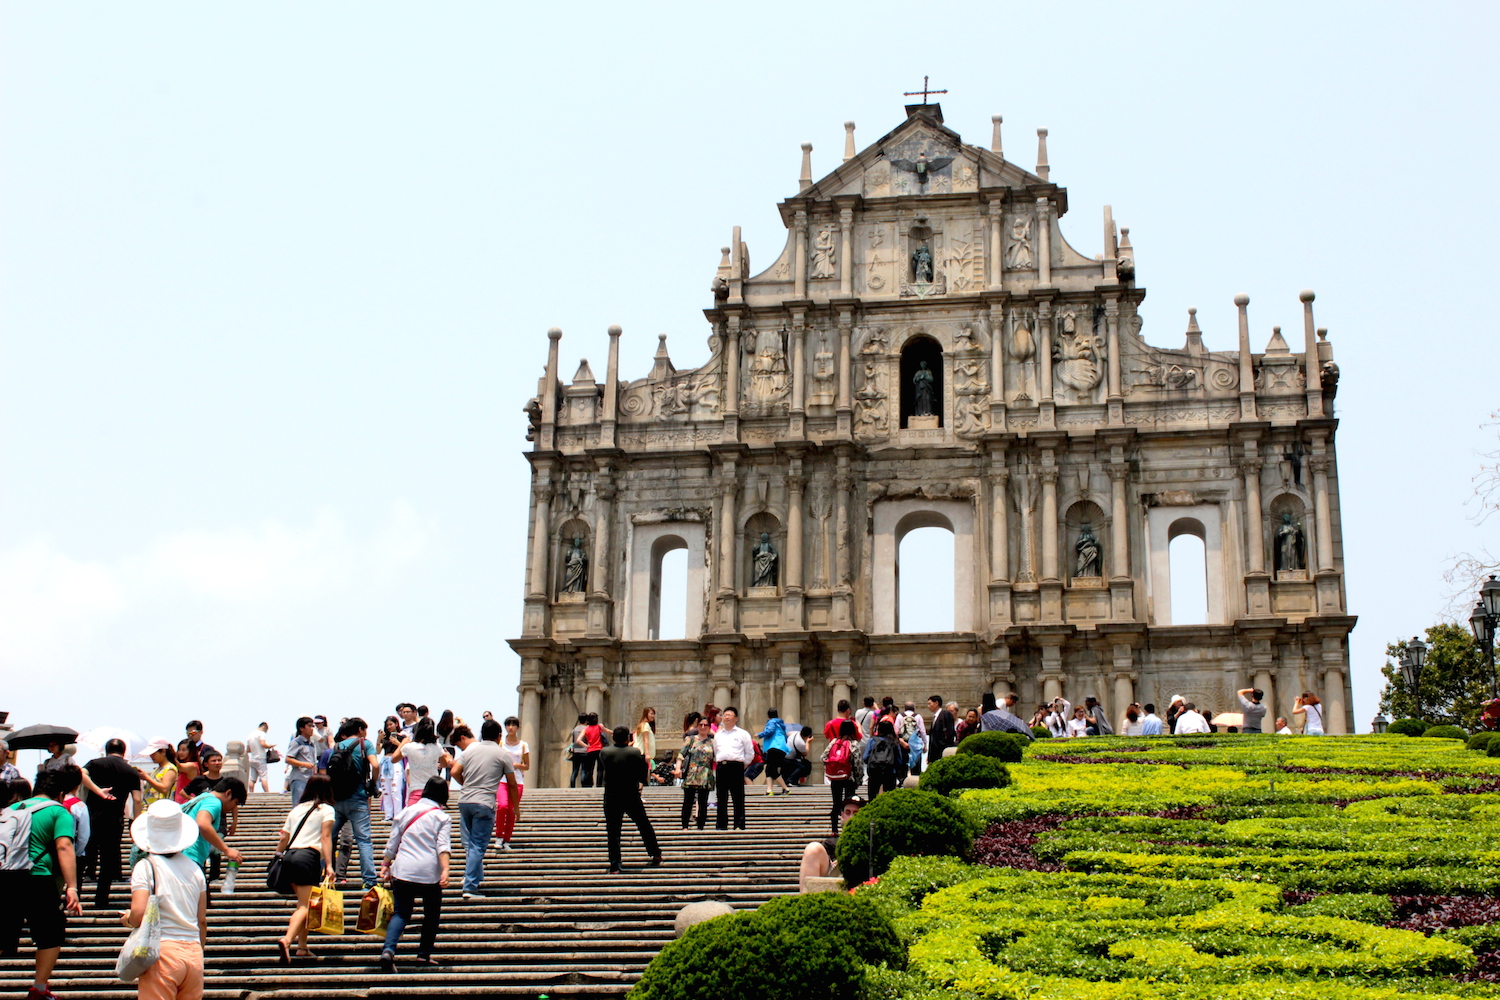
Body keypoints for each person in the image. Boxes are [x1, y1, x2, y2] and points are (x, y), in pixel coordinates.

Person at [3, 767, 83, 1000]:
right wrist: (72, 887)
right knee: (51, 934)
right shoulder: (57, 811)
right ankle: (39, 989)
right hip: (37, 879)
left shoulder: (11, 809)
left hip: (5, 877)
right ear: (60, 793)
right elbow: (64, 846)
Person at [124, 799, 208, 1000]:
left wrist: (127, 919)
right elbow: (201, 920)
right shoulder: (196, 870)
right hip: (193, 952)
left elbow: (138, 913)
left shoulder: (146, 867)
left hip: (161, 951)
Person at [379, 776, 452, 972]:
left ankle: (388, 950)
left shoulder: (406, 812)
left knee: (401, 913)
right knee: (431, 915)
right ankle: (423, 955)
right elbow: (443, 846)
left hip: (403, 870)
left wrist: (385, 864)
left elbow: (393, 842)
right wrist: (445, 869)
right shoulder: (442, 817)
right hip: (429, 873)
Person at [449, 720, 518, 898]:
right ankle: (470, 887)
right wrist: (516, 808)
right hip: (484, 802)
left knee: (469, 844)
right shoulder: (502, 754)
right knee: (478, 845)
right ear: (499, 736)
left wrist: (466, 785)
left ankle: (474, 876)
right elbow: (512, 783)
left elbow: (454, 771)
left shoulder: (470, 750)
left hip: (465, 801)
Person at [274, 775, 335, 965]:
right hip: (308, 857)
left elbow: (284, 837)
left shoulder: (297, 809)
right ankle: (287, 940)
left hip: (290, 856)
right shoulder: (326, 809)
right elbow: (326, 837)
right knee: (305, 906)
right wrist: (329, 865)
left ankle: (302, 947)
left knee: (303, 903)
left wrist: (277, 855)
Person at [82, 739, 142, 909]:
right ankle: (101, 899)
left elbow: (81, 773)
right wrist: (136, 823)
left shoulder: (95, 763)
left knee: (86, 854)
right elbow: (137, 799)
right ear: (124, 752)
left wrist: (98, 791)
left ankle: (76, 894)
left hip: (91, 817)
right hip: (114, 819)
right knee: (108, 860)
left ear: (106, 749)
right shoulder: (131, 771)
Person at [599, 726, 662, 875]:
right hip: (630, 793)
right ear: (628, 738)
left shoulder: (605, 752)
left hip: (612, 794)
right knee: (643, 824)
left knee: (613, 830)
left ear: (614, 737)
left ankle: (615, 864)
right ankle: (655, 853)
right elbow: (641, 771)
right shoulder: (634, 752)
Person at [326, 719, 379, 890]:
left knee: (328, 837)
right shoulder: (365, 744)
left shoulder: (337, 746)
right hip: (358, 799)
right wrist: (373, 782)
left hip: (337, 799)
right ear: (360, 729)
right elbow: (375, 764)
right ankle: (369, 880)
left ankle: (325, 874)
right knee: (363, 840)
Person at [181, 778, 246, 893]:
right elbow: (203, 824)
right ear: (228, 793)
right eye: (235, 803)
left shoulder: (201, 798)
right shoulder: (214, 802)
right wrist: (226, 850)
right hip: (190, 859)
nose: (232, 808)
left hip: (181, 856)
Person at [798, 795, 864, 892]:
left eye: (856, 813)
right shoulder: (831, 844)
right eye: (848, 812)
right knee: (813, 849)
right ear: (842, 816)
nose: (851, 817)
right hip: (834, 886)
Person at [712, 707, 753, 831]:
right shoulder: (718, 735)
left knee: (738, 797)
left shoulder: (742, 733)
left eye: (730, 715)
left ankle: (739, 824)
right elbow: (715, 751)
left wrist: (742, 765)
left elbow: (749, 752)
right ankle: (721, 825)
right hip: (722, 766)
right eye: (725, 715)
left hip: (736, 766)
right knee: (721, 797)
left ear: (736, 718)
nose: (727, 717)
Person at [390, 717, 444, 809]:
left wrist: (402, 743)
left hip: (416, 789)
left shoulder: (409, 747)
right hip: (433, 790)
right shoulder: (437, 747)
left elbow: (394, 759)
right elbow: (444, 764)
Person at [821, 719, 864, 835]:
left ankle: (834, 829)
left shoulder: (834, 742)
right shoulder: (853, 744)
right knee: (849, 803)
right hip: (849, 778)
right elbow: (857, 763)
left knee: (836, 803)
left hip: (835, 778)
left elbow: (823, 757)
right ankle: (848, 828)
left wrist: (832, 767)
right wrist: (858, 779)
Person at [675, 717, 716, 830]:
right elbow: (681, 754)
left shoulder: (713, 742)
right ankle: (685, 826)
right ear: (697, 726)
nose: (703, 727)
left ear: (709, 727)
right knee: (688, 801)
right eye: (700, 725)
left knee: (703, 802)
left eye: (705, 725)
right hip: (691, 773)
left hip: (705, 774)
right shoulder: (691, 739)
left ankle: (700, 826)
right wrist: (678, 768)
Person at [495, 716, 529, 851]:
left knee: (511, 810)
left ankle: (506, 839)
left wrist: (516, 765)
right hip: (502, 780)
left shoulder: (523, 745)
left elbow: (527, 766)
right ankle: (499, 836)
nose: (510, 727)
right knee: (502, 806)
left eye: (513, 725)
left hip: (517, 780)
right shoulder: (501, 744)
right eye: (508, 725)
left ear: (518, 728)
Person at [864, 719, 902, 799]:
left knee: (873, 795)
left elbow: (865, 757)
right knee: (889, 796)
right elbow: (899, 760)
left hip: (874, 770)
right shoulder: (894, 741)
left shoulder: (872, 740)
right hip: (889, 771)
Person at [377, 717, 405, 822]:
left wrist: (397, 743)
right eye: (387, 725)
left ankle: (398, 814)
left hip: (396, 762)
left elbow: (405, 749)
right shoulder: (385, 738)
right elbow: (378, 751)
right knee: (386, 790)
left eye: (391, 724)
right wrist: (379, 738)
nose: (389, 727)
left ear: (396, 724)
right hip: (385, 762)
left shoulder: (402, 737)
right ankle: (388, 815)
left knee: (395, 789)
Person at [757, 708, 791, 796]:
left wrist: (759, 735)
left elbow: (770, 731)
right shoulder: (781, 725)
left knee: (772, 770)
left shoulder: (772, 722)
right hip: (781, 748)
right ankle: (769, 789)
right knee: (769, 769)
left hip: (774, 747)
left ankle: (786, 788)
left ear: (768, 716)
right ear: (777, 715)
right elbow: (786, 736)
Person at [138, 740, 181, 808]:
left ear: (163, 752)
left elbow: (164, 789)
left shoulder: (170, 769)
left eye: (154, 753)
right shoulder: (157, 769)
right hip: (150, 808)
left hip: (161, 809)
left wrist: (147, 777)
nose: (151, 756)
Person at [285, 717, 318, 802]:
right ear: (301, 728)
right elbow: (288, 759)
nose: (312, 729)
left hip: (310, 780)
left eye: (313, 726)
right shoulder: (296, 742)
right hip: (299, 779)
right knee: (299, 804)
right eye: (309, 726)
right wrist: (304, 764)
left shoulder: (311, 744)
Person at [578, 713, 606, 789]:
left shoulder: (586, 729)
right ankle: (599, 785)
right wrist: (613, 732)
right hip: (599, 749)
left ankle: (589, 785)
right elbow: (607, 731)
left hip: (591, 750)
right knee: (600, 769)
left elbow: (578, 740)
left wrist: (586, 746)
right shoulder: (599, 726)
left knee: (589, 769)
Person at [245, 722, 274, 794]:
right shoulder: (261, 733)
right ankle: (267, 793)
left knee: (252, 778)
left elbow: (248, 749)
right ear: (264, 727)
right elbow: (262, 744)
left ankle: (251, 793)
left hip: (252, 758)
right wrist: (269, 746)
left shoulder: (250, 735)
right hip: (260, 758)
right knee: (264, 777)